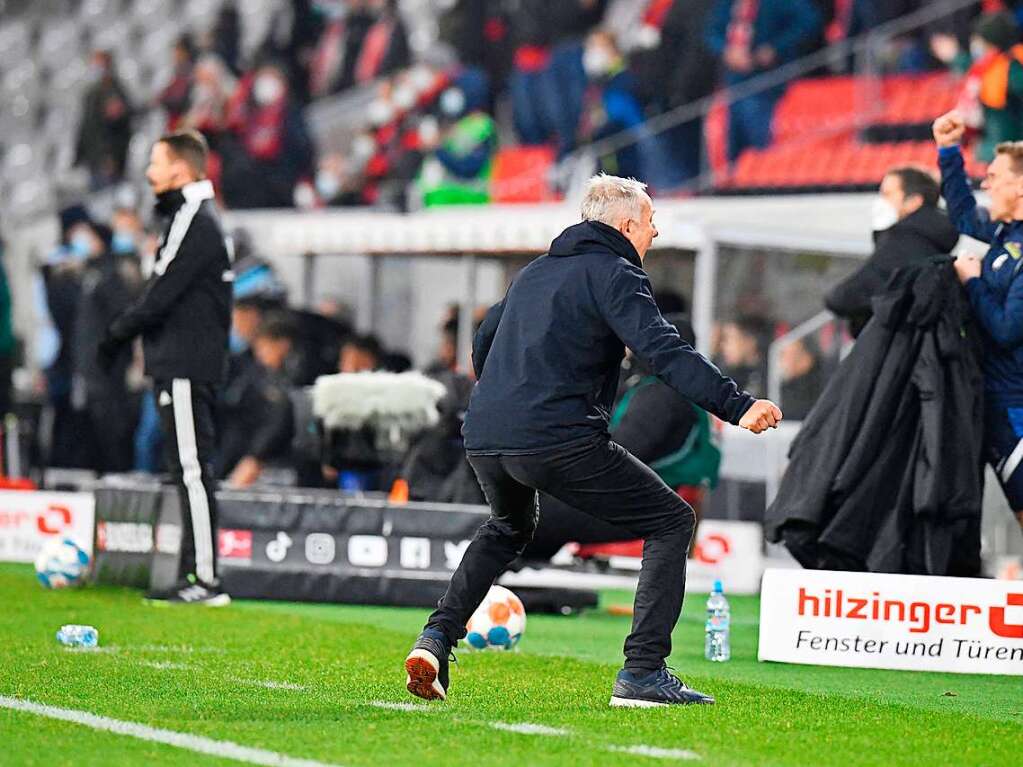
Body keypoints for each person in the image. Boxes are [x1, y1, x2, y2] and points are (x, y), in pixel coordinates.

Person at [404, 174, 781, 707]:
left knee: (508, 528)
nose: (655, 232)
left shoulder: (535, 271)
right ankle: (643, 673)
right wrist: (738, 405)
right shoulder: (616, 272)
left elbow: (483, 342)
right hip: (556, 436)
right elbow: (664, 352)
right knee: (671, 520)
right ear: (627, 226)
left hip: (486, 436)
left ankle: (436, 638)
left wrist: (506, 401)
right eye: (651, 223)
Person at [99, 129, 233, 605]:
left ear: (179, 169)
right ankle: (194, 574)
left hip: (184, 363)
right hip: (183, 362)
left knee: (193, 469)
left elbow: (161, 290)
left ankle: (205, 580)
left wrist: (116, 335)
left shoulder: (194, 217)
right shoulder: (192, 215)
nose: (150, 173)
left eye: (156, 164)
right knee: (185, 467)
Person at [934, 109, 1023, 533]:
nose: (986, 183)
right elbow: (965, 217)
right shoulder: (1007, 234)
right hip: (998, 398)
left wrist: (971, 281)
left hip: (1017, 404)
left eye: (995, 176)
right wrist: (949, 153)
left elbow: (1008, 329)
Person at [825, 166, 960, 337]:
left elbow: (842, 298)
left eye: (887, 194)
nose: (880, 202)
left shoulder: (902, 243)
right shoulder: (933, 242)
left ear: (913, 202)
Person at [705, 0, 821, 161]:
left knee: (756, 127)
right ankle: (736, 176)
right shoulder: (728, 4)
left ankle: (759, 169)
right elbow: (712, 31)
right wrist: (726, 51)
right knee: (734, 135)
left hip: (766, 77)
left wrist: (775, 48)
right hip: (735, 79)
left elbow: (808, 21)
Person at [216, 313, 296, 487]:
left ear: (282, 345)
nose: (260, 354)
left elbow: (277, 423)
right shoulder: (253, 375)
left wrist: (255, 458)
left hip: (272, 464)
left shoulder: (290, 381)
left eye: (265, 347)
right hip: (240, 455)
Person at [74, 50, 133, 188]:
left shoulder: (116, 91)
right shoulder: (91, 93)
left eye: (99, 64)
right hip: (93, 159)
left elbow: (119, 127)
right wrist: (78, 156)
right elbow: (86, 126)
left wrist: (110, 157)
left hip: (108, 161)